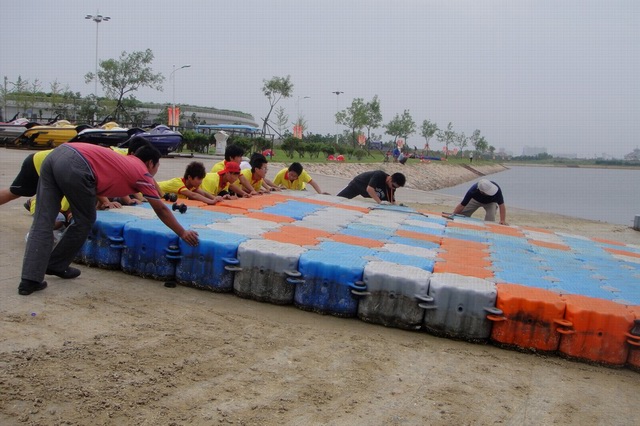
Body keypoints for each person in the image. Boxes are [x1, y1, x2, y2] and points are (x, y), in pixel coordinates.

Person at [18, 143, 199, 296]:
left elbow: (94, 181)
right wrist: (182, 232)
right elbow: (160, 208)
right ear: (150, 163)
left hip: (55, 155)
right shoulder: (142, 172)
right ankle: (56, 264)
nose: (156, 171)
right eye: (157, 166)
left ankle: (29, 280)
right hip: (77, 163)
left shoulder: (124, 161)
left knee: (43, 221)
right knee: (85, 220)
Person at [337, 171, 406, 204]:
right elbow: (370, 189)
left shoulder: (391, 188)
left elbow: (392, 202)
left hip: (366, 192)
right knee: (338, 199)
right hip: (358, 185)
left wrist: (399, 206)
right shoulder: (379, 175)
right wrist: (379, 202)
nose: (393, 188)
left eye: (395, 188)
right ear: (390, 178)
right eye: (393, 186)